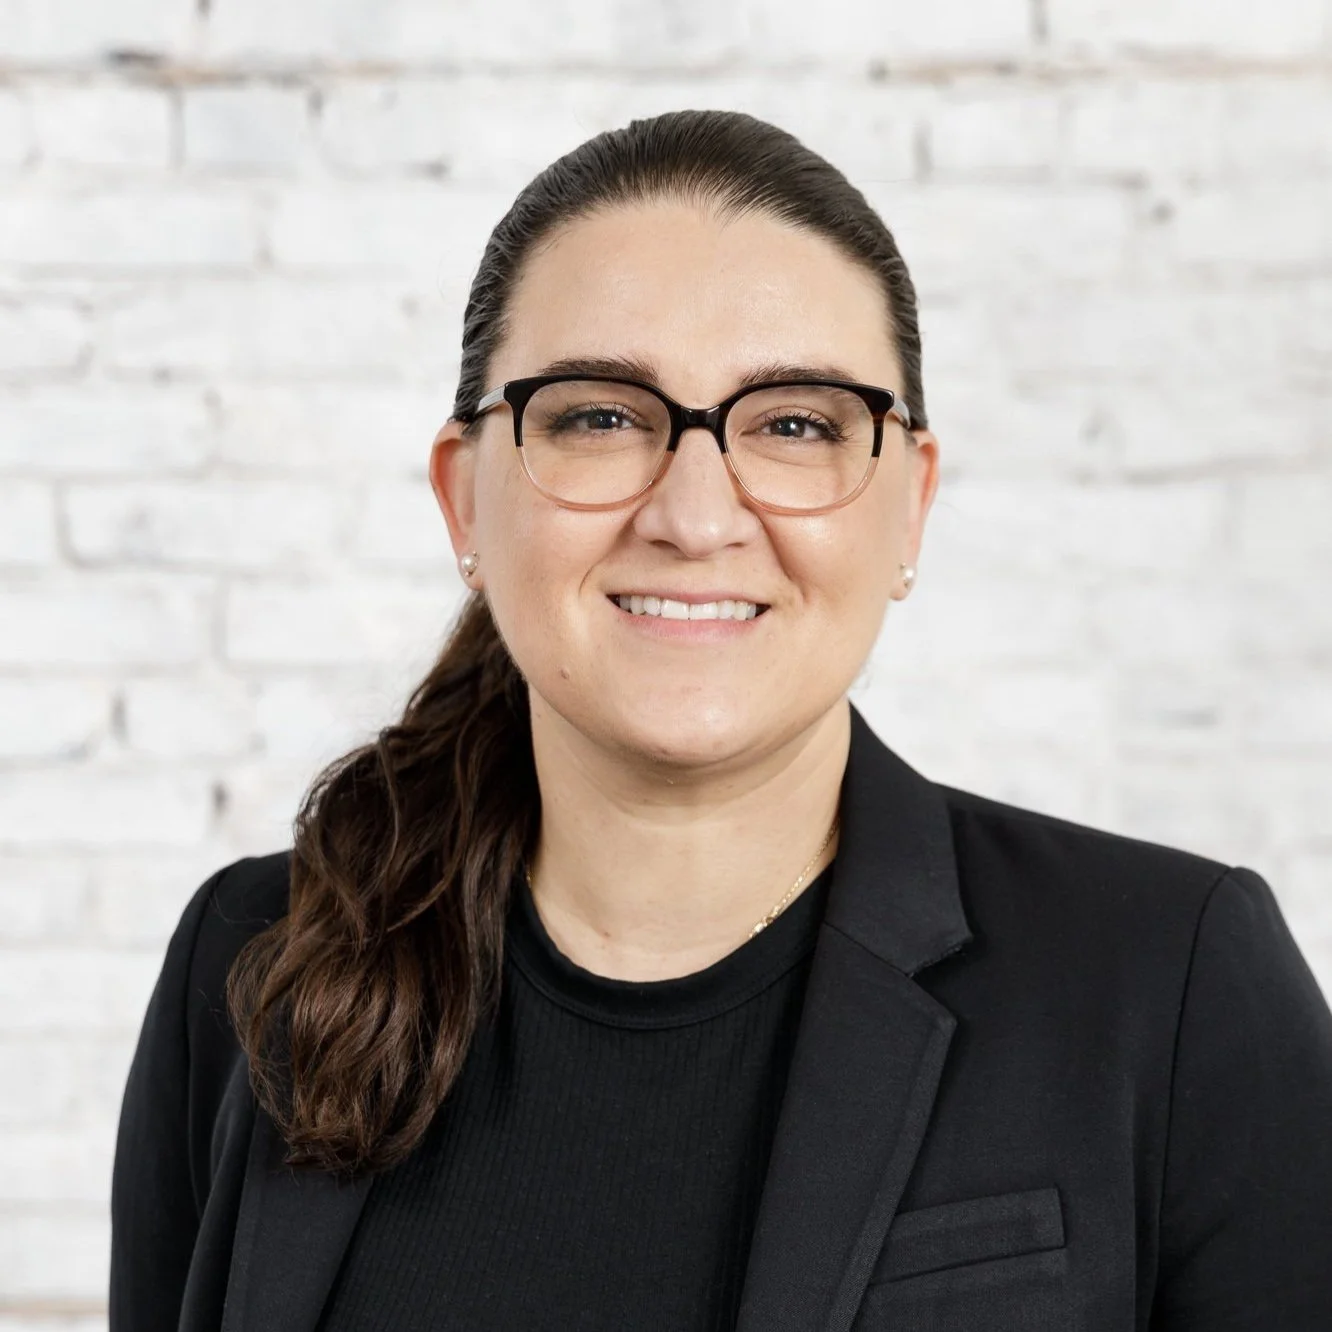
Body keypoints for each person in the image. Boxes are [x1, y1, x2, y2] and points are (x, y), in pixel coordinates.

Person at [109, 109, 1332, 1332]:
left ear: (908, 505)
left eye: (795, 424)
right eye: (599, 415)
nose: (696, 515)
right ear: (464, 496)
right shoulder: (252, 961)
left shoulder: (1171, 988)